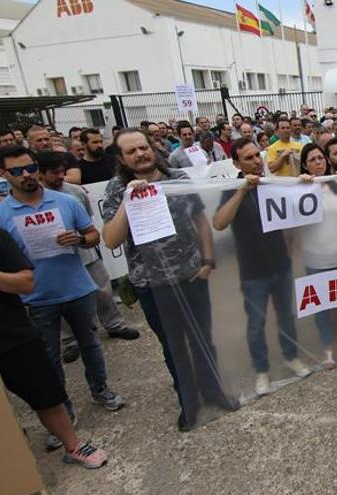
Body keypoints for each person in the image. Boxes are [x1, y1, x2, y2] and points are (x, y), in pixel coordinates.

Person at [0, 145, 125, 446]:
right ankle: (63, 413)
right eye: (18, 171)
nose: (27, 175)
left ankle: (100, 390)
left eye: (30, 168)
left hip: (76, 287)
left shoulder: (64, 201)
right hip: (35, 299)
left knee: (91, 344)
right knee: (48, 360)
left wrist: (80, 239)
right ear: (4, 174)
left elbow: (93, 235)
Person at [102, 129, 233, 431]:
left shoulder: (177, 177)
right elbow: (111, 239)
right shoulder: (116, 188)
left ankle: (215, 391)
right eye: (131, 151)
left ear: (153, 148)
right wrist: (128, 200)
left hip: (192, 274)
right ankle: (189, 401)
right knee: (174, 346)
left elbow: (200, 219)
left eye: (144, 147)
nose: (140, 154)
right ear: (121, 158)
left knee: (203, 339)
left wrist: (208, 261)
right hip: (152, 285)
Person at [0, 223, 109, 468]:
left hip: (12, 337)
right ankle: (2, 463)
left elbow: (25, 283)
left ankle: (73, 446)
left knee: (46, 396)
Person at [211, 137, 311, 395]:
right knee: (256, 323)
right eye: (249, 158)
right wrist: (242, 190)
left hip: (281, 265)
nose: (256, 161)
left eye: (258, 155)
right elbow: (219, 223)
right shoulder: (231, 188)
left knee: (286, 315)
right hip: (253, 273)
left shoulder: (272, 184)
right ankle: (262, 371)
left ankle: (291, 356)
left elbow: (293, 212)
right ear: (236, 163)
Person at [36, 151, 140, 345]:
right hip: (54, 257)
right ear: (40, 174)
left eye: (62, 172)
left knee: (102, 289)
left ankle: (114, 323)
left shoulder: (75, 192)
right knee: (63, 297)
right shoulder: (34, 197)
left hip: (85, 251)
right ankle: (69, 340)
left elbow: (89, 224)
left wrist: (81, 238)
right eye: (54, 173)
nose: (60, 176)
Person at [296, 143, 337, 367]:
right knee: (321, 306)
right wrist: (301, 187)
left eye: (321, 158)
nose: (318, 162)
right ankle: (327, 347)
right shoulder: (298, 189)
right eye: (312, 159)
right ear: (304, 164)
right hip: (316, 259)